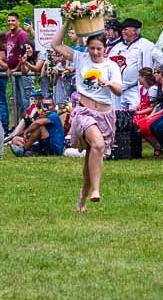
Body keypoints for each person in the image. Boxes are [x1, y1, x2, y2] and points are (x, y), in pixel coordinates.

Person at [51, 21, 123, 212]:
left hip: (105, 114)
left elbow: (119, 90)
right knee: (97, 145)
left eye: (98, 48)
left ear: (105, 48)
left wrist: (107, 83)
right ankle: (96, 190)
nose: (95, 52)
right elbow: (56, 45)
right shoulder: (81, 58)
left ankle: (83, 194)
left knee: (93, 154)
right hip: (84, 111)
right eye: (92, 48)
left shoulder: (111, 66)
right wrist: (68, 21)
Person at [108, 18, 162, 112]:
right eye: (122, 30)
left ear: (134, 31)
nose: (123, 32)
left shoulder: (145, 44)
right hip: (117, 89)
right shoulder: (117, 47)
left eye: (125, 29)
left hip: (135, 89)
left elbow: (162, 59)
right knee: (116, 114)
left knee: (134, 113)